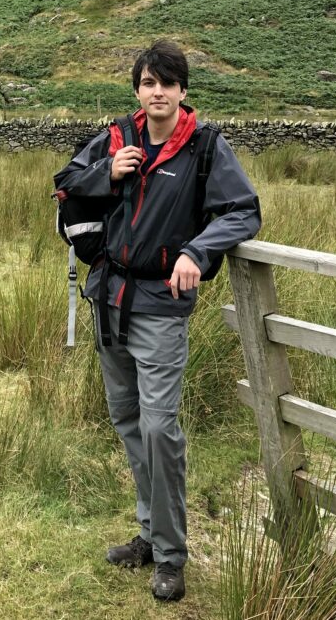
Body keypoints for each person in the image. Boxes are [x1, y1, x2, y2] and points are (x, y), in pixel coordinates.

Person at [52, 40, 261, 602]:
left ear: (183, 91)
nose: (158, 92)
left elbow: (244, 210)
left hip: (161, 309)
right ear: (137, 90)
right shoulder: (117, 137)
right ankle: (147, 533)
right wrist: (106, 173)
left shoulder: (205, 147)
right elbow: (65, 184)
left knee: (159, 429)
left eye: (168, 83)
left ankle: (170, 556)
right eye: (149, 83)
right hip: (110, 299)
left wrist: (198, 251)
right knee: (125, 419)